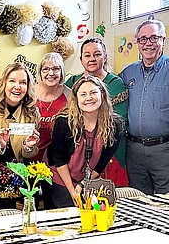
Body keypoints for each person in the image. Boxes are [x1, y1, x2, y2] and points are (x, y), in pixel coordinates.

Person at [120, 19, 169, 194]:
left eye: (154, 38)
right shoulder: (128, 74)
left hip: (167, 152)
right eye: (143, 39)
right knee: (137, 204)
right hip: (134, 152)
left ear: (163, 40)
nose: (148, 43)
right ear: (137, 42)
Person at [47, 76, 125, 208]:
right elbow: (59, 160)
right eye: (83, 94)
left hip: (87, 177)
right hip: (60, 175)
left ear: (102, 95)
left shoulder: (114, 125)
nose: (89, 98)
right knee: (68, 212)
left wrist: (83, 184)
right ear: (76, 99)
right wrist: (72, 191)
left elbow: (102, 163)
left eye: (93, 93)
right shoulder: (64, 122)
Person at [65, 37, 129, 186]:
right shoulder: (71, 83)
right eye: (87, 55)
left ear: (104, 57)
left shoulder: (115, 84)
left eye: (97, 54)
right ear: (81, 60)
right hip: (77, 152)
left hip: (109, 151)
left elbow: (119, 122)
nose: (92, 59)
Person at [0, 62, 40, 209]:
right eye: (12, 81)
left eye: (23, 82)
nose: (17, 87)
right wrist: (0, 144)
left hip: (18, 171)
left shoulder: (32, 112)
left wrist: (28, 146)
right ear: (4, 83)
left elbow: (28, 155)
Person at [34, 52, 69, 163]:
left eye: (55, 69)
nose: (51, 73)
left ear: (61, 72)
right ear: (40, 72)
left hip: (56, 160)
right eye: (46, 69)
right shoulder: (30, 93)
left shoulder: (70, 95)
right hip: (27, 155)